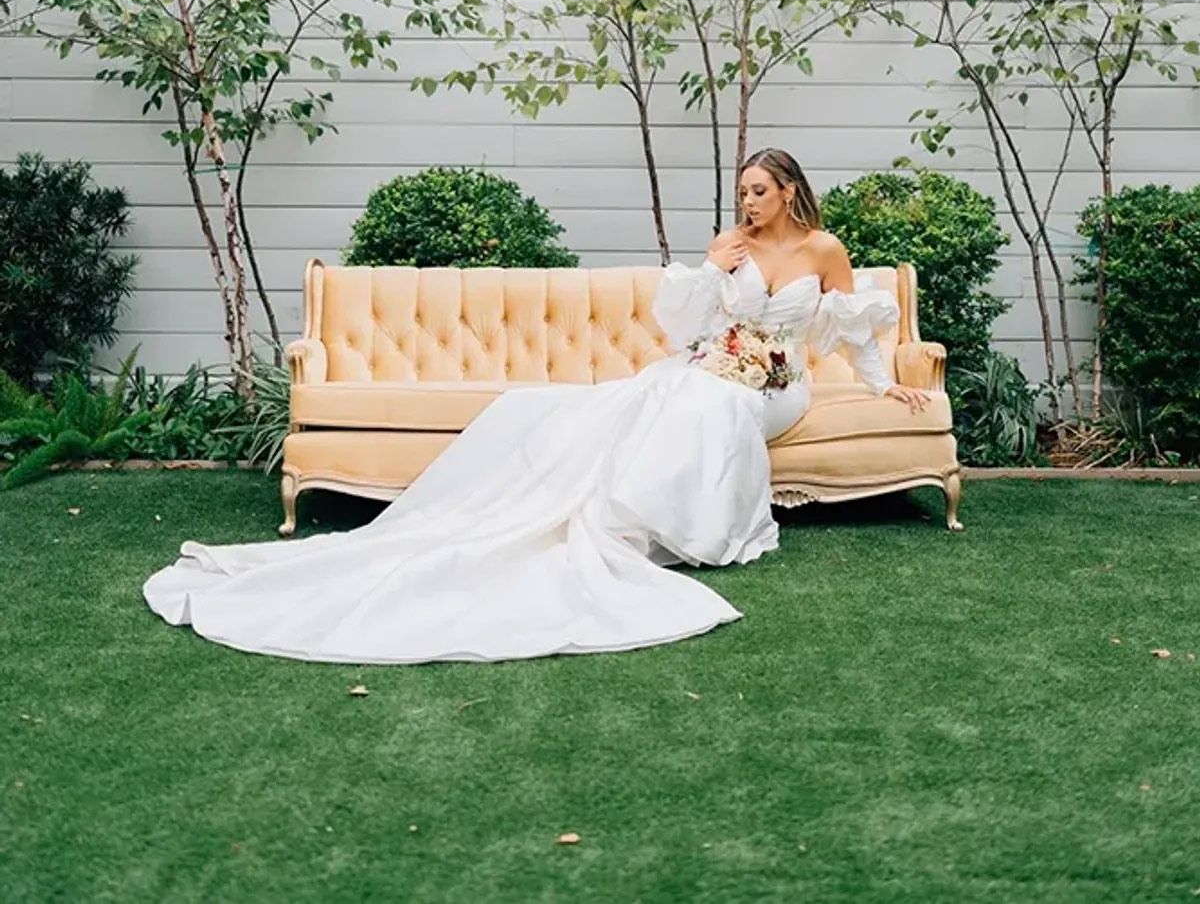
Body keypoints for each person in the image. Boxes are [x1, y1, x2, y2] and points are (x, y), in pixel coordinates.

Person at [143, 149, 927, 665]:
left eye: (759, 191)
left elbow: (852, 321)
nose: (748, 202)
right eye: (742, 192)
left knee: (707, 403)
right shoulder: (733, 245)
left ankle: (663, 518)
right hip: (714, 365)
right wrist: (710, 266)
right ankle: (615, 517)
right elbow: (691, 324)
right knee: (650, 394)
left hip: (778, 386)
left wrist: (878, 380)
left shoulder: (823, 249)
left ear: (788, 191)